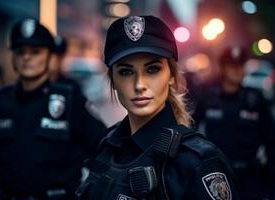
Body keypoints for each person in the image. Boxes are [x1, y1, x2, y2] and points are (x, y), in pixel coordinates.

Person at [76, 15, 240, 200]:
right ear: (113, 81)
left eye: (152, 69)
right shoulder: (107, 146)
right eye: (126, 71)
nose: (139, 84)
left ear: (171, 76)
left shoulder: (197, 163)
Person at [0, 18, 106, 200]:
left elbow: (104, 151)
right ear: (13, 57)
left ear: (50, 56)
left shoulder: (69, 102)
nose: (27, 57)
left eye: (35, 51)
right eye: (20, 51)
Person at [193, 46, 275, 199]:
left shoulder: (256, 100)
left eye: (240, 65)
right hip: (215, 178)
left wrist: (270, 185)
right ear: (223, 68)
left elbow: (273, 144)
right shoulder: (207, 98)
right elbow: (191, 132)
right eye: (232, 66)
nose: (237, 70)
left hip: (250, 179)